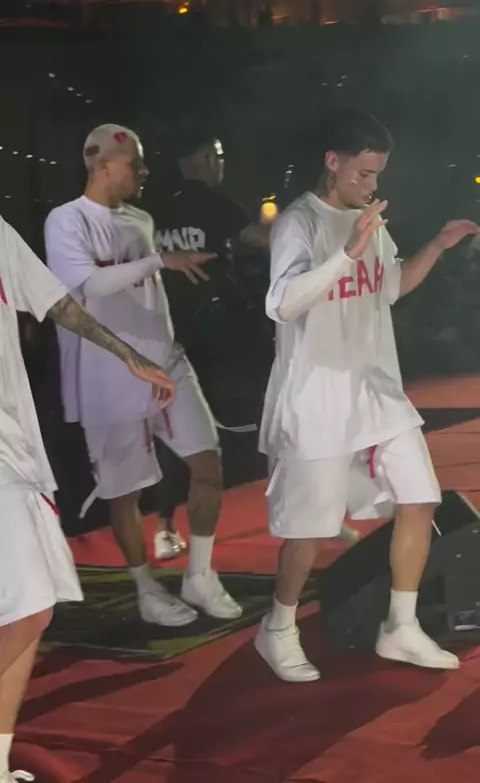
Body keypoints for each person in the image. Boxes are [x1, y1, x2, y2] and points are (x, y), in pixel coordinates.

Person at [255, 107, 479, 682]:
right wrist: (347, 253)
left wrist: (437, 246)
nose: (371, 185)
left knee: (420, 498)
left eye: (377, 175)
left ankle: (400, 626)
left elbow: (392, 285)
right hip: (318, 398)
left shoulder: (368, 221)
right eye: (363, 173)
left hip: (377, 393)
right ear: (333, 162)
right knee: (309, 530)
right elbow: (282, 303)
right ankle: (277, 627)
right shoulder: (300, 222)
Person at [0, 213, 175, 783]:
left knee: (33, 609)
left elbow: (55, 302)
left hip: (14, 444)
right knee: (28, 605)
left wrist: (125, 353)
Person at [44, 123, 242, 627]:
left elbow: (141, 283)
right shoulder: (65, 220)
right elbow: (87, 284)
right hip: (106, 374)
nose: (144, 171)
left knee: (208, 462)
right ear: (103, 165)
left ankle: (200, 575)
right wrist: (159, 260)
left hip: (166, 361)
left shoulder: (141, 219)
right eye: (135, 163)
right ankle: (146, 588)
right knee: (124, 490)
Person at [154, 125, 358, 551]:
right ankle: (307, 513)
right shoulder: (216, 203)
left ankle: (166, 529)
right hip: (225, 335)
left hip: (169, 336)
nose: (221, 164)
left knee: (176, 432)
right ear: (205, 159)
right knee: (279, 414)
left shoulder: (152, 210)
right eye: (217, 155)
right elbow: (267, 239)